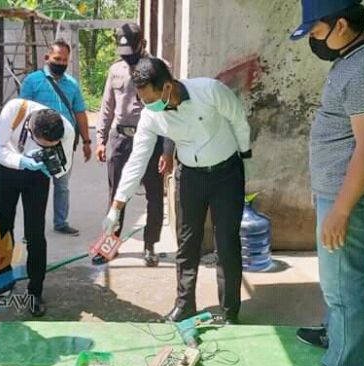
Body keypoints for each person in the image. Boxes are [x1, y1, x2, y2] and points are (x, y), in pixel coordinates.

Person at [286, 1, 364, 366]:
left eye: (316, 33)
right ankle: (337, 335)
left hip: (348, 199)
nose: (314, 42)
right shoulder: (353, 57)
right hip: (338, 194)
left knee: (344, 284)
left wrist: (341, 209)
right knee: (336, 280)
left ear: (340, 25)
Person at [101, 57, 252, 324]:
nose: (147, 105)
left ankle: (230, 312)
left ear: (168, 87)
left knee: (227, 244)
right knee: (186, 244)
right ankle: (185, 306)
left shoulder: (210, 90)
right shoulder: (151, 116)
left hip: (226, 174)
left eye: (150, 98)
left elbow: (238, 119)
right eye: (142, 99)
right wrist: (117, 205)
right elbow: (138, 160)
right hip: (190, 178)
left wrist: (245, 159)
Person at [94, 23, 175, 266]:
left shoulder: (160, 68)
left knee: (153, 197)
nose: (127, 56)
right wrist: (101, 139)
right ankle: (110, 245)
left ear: (143, 44)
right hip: (120, 140)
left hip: (152, 141)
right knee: (116, 195)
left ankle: (150, 246)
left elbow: (171, 109)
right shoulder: (116, 70)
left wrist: (168, 150)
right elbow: (107, 106)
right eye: (123, 52)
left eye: (132, 50)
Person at [0, 99, 75, 317]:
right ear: (29, 128)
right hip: (6, 168)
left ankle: (35, 291)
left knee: (35, 232)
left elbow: (65, 167)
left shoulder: (66, 129)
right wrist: (20, 160)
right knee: (3, 226)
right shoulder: (16, 110)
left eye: (49, 146)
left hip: (37, 176)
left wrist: (52, 169)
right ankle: (3, 280)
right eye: (41, 143)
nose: (44, 148)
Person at [19, 38, 92, 236]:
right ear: (47, 57)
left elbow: (79, 113)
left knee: (62, 185)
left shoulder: (72, 84)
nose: (60, 63)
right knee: (35, 187)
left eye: (64, 60)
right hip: (37, 142)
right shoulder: (32, 81)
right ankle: (32, 229)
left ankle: (61, 222)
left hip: (64, 143)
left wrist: (86, 141)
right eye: (57, 58)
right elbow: (21, 110)